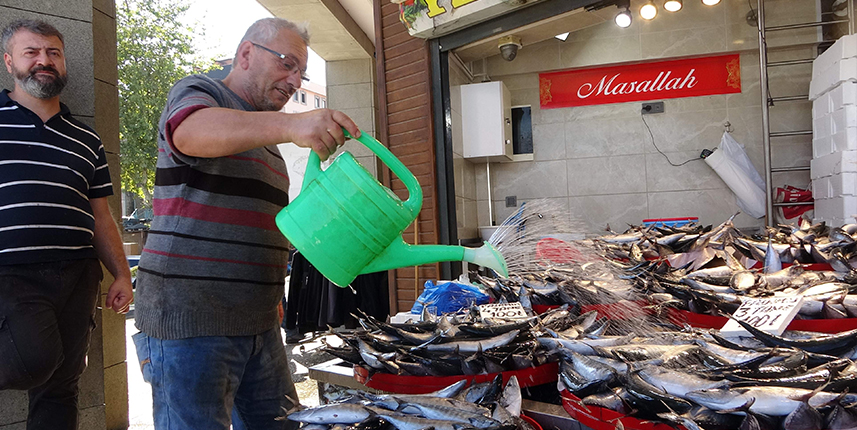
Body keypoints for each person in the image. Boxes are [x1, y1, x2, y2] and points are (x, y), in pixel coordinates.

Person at [132, 17, 359, 430]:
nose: (294, 81)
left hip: (259, 323)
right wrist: (294, 125)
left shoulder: (267, 142)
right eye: (287, 64)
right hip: (191, 320)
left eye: (301, 73)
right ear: (246, 54)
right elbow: (189, 131)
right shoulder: (201, 92)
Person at [0, 19, 134, 430]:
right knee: (35, 361)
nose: (44, 61)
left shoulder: (86, 138)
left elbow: (101, 215)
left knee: (63, 385)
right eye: (32, 52)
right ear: (10, 62)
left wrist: (122, 274)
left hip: (77, 275)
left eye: (53, 53)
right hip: (13, 274)